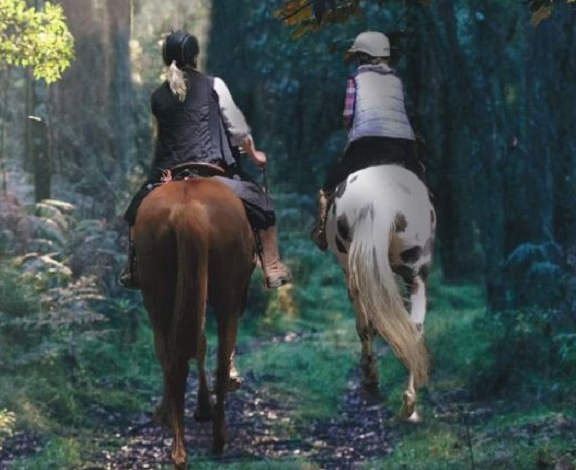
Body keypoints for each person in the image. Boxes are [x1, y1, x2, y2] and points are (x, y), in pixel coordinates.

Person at [119, 30, 292, 289]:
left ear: (167, 58)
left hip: (168, 174)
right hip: (212, 171)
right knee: (263, 202)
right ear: (195, 56)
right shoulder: (214, 85)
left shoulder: (157, 96)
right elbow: (238, 131)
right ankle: (272, 266)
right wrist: (255, 155)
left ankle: (134, 268)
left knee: (134, 213)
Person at [310, 31, 426, 251]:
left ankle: (322, 230)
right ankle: (426, 226)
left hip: (366, 144)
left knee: (328, 187)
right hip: (401, 145)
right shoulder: (397, 80)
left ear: (362, 56)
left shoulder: (355, 79)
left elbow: (347, 115)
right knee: (421, 184)